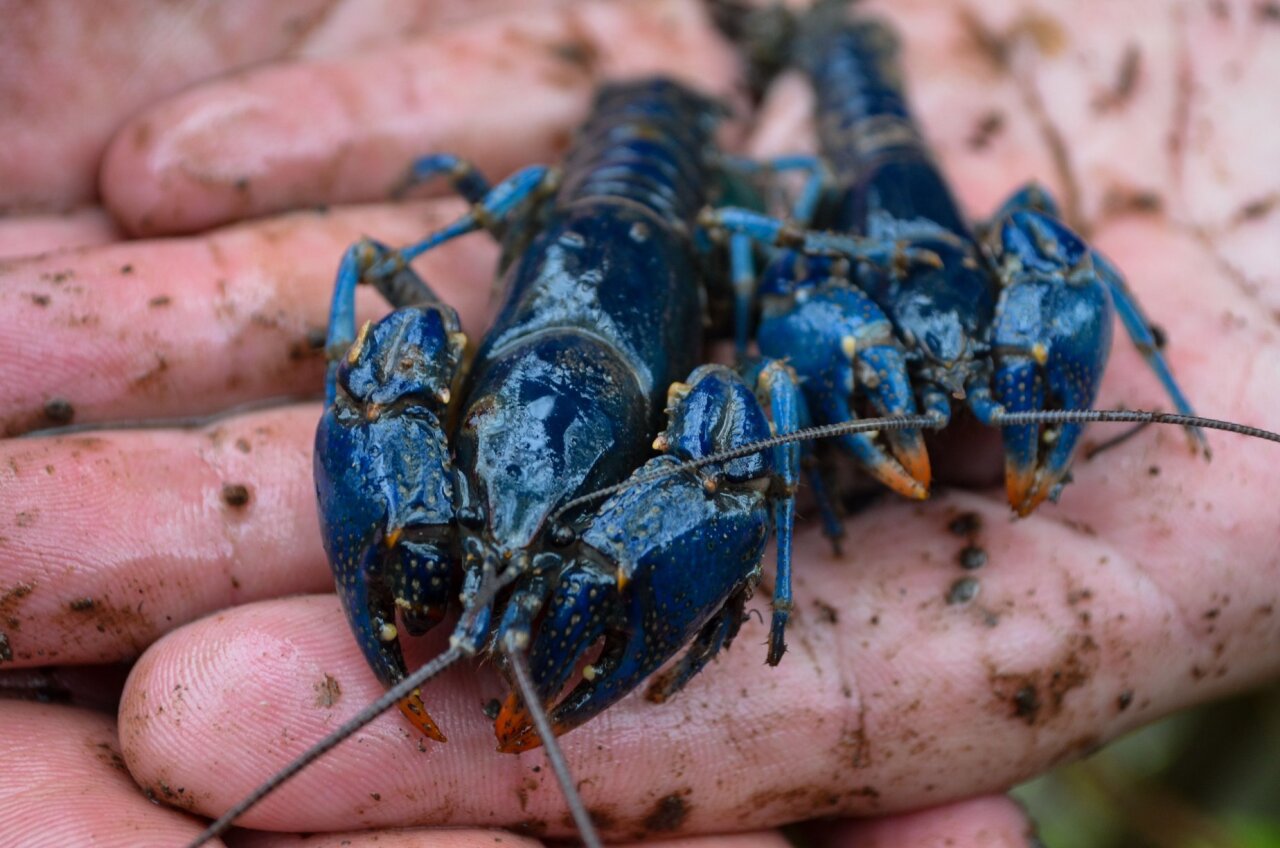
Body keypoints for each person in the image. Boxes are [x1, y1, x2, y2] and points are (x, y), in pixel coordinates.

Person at [1, 1, 1276, 846]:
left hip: (674, 211)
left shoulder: (744, 312)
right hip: (599, 191)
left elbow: (726, 426)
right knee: (394, 356)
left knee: (731, 439)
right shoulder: (468, 360)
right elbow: (391, 347)